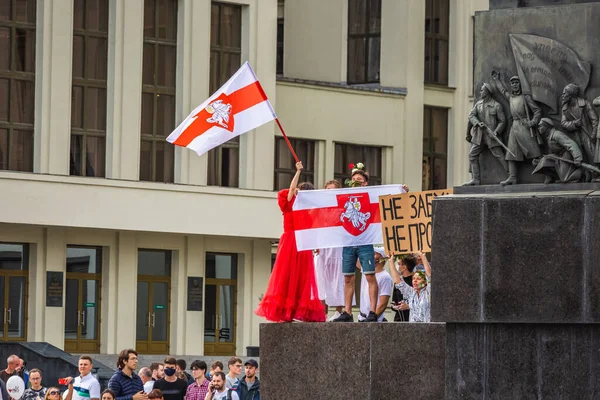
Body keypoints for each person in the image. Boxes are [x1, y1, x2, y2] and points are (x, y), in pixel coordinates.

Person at [255, 161, 325, 322]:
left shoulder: (309, 209)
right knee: (286, 276)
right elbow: (290, 191)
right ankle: (285, 311)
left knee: (302, 277)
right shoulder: (289, 203)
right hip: (290, 242)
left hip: (303, 242)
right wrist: (298, 172)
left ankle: (297, 311)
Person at [333, 165, 379, 322]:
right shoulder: (345, 196)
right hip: (348, 241)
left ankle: (373, 311)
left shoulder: (371, 195)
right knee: (347, 278)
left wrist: (401, 190)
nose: (356, 182)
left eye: (359, 180)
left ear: (365, 183)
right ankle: (347, 312)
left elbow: (387, 196)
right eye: (353, 180)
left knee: (370, 276)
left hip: (365, 241)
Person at [491, 71, 542, 185]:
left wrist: (533, 121)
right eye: (512, 83)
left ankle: (548, 174)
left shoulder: (525, 97)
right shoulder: (510, 97)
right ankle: (513, 177)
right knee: (511, 153)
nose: (514, 84)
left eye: (516, 82)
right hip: (515, 126)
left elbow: (537, 110)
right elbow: (502, 90)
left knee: (534, 152)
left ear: (520, 84)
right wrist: (496, 80)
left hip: (525, 126)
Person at [314, 180, 349, 321]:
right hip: (324, 247)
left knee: (337, 278)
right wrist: (315, 243)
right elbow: (316, 227)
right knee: (322, 279)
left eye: (333, 189)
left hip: (337, 248)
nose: (330, 191)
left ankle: (339, 311)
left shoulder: (342, 208)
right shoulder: (321, 209)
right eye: (328, 189)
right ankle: (323, 313)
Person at [464, 83, 508, 186]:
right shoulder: (478, 104)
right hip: (480, 136)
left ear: (487, 92)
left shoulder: (496, 105)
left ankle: (511, 175)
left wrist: (496, 132)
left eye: (482, 90)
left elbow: (502, 121)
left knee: (499, 155)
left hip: (491, 135)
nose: (480, 92)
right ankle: (476, 179)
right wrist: (478, 123)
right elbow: (471, 116)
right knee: (472, 155)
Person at [533, 118, 584, 183]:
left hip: (567, 155)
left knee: (565, 179)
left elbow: (572, 145)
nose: (538, 128)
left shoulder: (557, 134)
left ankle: (581, 173)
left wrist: (578, 159)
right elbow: (551, 153)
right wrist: (539, 160)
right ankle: (553, 177)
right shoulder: (548, 136)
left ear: (546, 127)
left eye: (540, 126)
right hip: (558, 157)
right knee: (543, 161)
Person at [560, 83, 598, 167]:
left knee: (592, 154)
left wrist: (593, 135)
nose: (562, 95)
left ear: (571, 94)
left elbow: (595, 120)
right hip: (575, 136)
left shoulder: (585, 104)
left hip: (588, 134)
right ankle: (587, 175)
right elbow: (563, 123)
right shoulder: (565, 108)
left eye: (564, 93)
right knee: (581, 158)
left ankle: (596, 175)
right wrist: (574, 123)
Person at [388, 250, 432, 322]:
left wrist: (423, 257)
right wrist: (391, 262)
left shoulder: (429, 292)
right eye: (414, 278)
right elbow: (398, 281)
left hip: (427, 327)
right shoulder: (411, 292)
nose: (415, 281)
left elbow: (429, 275)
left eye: (418, 279)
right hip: (412, 328)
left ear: (425, 282)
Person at [357, 247, 393, 322]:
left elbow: (383, 304)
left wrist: (372, 318)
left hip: (374, 320)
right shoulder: (365, 271)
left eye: (375, 254)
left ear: (382, 258)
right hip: (362, 318)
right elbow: (356, 261)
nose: (371, 255)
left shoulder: (385, 277)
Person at [390, 254, 417, 322]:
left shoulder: (416, 281)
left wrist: (408, 306)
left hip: (413, 319)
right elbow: (394, 300)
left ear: (404, 267)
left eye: (399, 264)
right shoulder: (399, 281)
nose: (398, 267)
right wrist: (396, 306)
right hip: (399, 318)